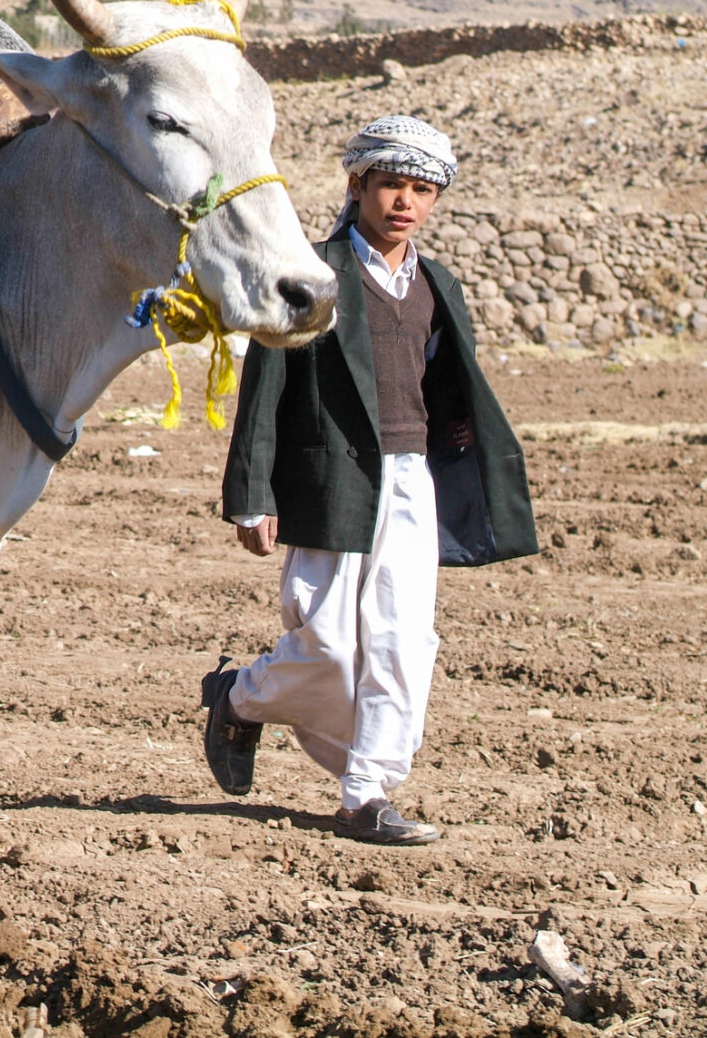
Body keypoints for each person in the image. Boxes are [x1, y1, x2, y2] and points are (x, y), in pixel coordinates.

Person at [202, 114, 536, 844]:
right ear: (357, 186)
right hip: (330, 480)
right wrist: (252, 493)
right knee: (325, 641)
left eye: (421, 188)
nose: (405, 202)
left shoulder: (438, 286)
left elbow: (451, 389)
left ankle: (367, 792)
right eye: (390, 184)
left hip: (411, 479)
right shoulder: (313, 271)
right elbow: (265, 389)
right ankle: (241, 698)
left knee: (402, 636)